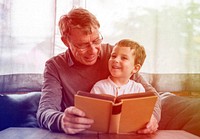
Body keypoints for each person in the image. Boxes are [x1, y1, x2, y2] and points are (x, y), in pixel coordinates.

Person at [36, 7, 161, 135]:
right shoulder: (54, 66)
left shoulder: (114, 55)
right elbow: (45, 111)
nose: (93, 51)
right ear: (66, 41)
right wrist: (61, 120)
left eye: (96, 40)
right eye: (83, 45)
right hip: (83, 134)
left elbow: (153, 96)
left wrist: (153, 118)